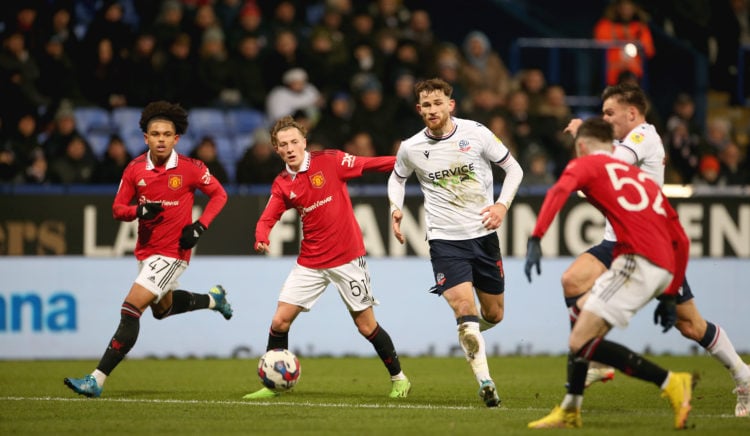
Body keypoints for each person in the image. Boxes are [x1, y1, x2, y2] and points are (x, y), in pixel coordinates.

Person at [562, 83, 750, 417]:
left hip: (649, 245)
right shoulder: (624, 140)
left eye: (609, 113)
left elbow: (610, 166)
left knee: (691, 325)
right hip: (616, 242)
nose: (605, 120)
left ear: (631, 113)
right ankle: (591, 355)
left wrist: (583, 139)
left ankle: (744, 377)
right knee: (573, 280)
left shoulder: (643, 137)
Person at [525, 117, 692, 429]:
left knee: (579, 342)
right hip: (662, 264)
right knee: (578, 310)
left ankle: (671, 381)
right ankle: (571, 409)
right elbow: (681, 239)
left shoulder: (587, 163)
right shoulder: (638, 177)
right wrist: (669, 294)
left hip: (636, 262)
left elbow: (559, 191)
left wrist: (536, 236)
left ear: (583, 146)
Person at [63, 101, 232, 398]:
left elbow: (219, 194)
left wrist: (200, 226)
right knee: (161, 310)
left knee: (131, 308)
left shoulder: (191, 169)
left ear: (176, 138)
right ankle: (213, 299)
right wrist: (139, 212)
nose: (162, 139)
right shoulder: (134, 169)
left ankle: (97, 379)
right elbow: (117, 209)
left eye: (167, 134)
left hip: (174, 252)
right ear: (146, 138)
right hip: (146, 251)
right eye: (155, 134)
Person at [243, 115, 410, 400]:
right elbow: (267, 217)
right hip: (310, 261)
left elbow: (370, 164)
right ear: (277, 149)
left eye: (294, 141)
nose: (290, 147)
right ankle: (273, 383)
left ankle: (399, 379)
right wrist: (261, 235)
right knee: (280, 321)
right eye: (283, 144)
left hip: (347, 258)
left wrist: (406, 161)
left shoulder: (330, 161)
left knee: (366, 325)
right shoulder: (282, 183)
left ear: (304, 142)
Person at [387, 78, 524, 407]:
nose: (432, 110)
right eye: (425, 105)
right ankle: (485, 382)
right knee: (464, 308)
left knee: (494, 313)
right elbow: (397, 177)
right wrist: (395, 208)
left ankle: (470, 332)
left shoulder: (476, 133)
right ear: (419, 110)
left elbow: (514, 169)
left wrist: (502, 205)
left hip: (483, 237)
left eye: (438, 103)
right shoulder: (411, 147)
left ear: (451, 105)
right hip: (445, 241)